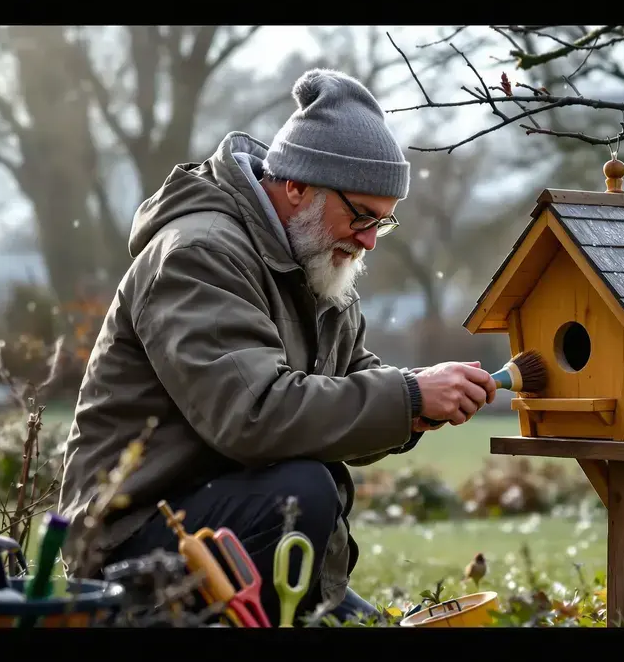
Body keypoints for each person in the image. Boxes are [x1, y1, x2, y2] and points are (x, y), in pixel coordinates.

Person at [57, 68, 497, 626]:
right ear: (296, 186)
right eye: (362, 216)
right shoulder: (199, 255)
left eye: (382, 225)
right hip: (131, 545)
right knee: (301, 492)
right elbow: (255, 415)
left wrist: (425, 398)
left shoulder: (318, 262)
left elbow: (352, 382)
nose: (367, 241)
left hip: (219, 519)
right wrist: (408, 398)